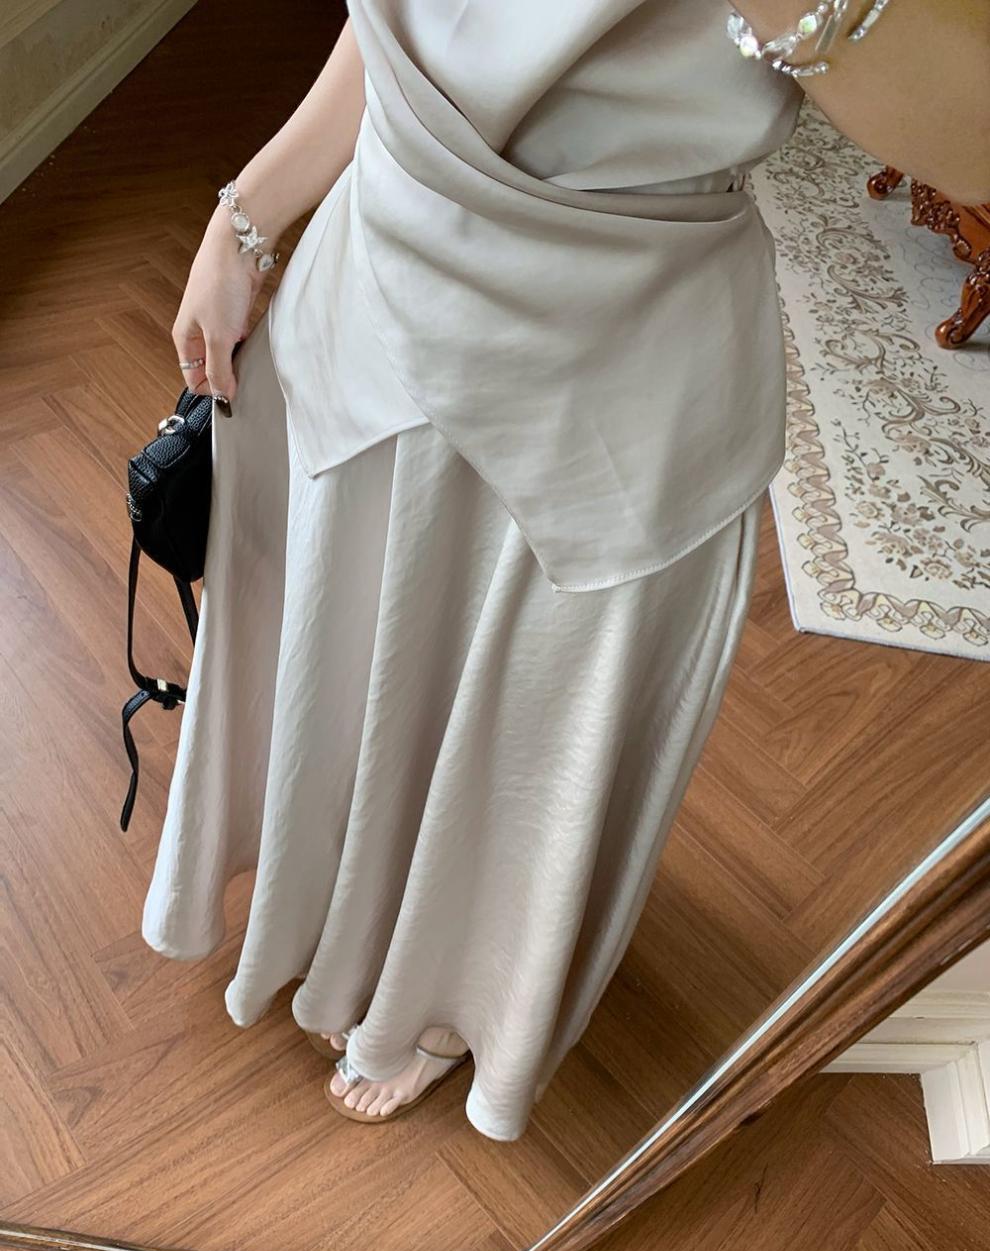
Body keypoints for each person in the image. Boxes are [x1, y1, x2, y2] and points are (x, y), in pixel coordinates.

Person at [143, 0, 989, 1142]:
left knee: (530, 720)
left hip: (616, 346)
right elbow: (407, 27)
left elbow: (971, 141)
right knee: (351, 653)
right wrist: (245, 218)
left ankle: (447, 984)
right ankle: (342, 906)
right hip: (379, 274)